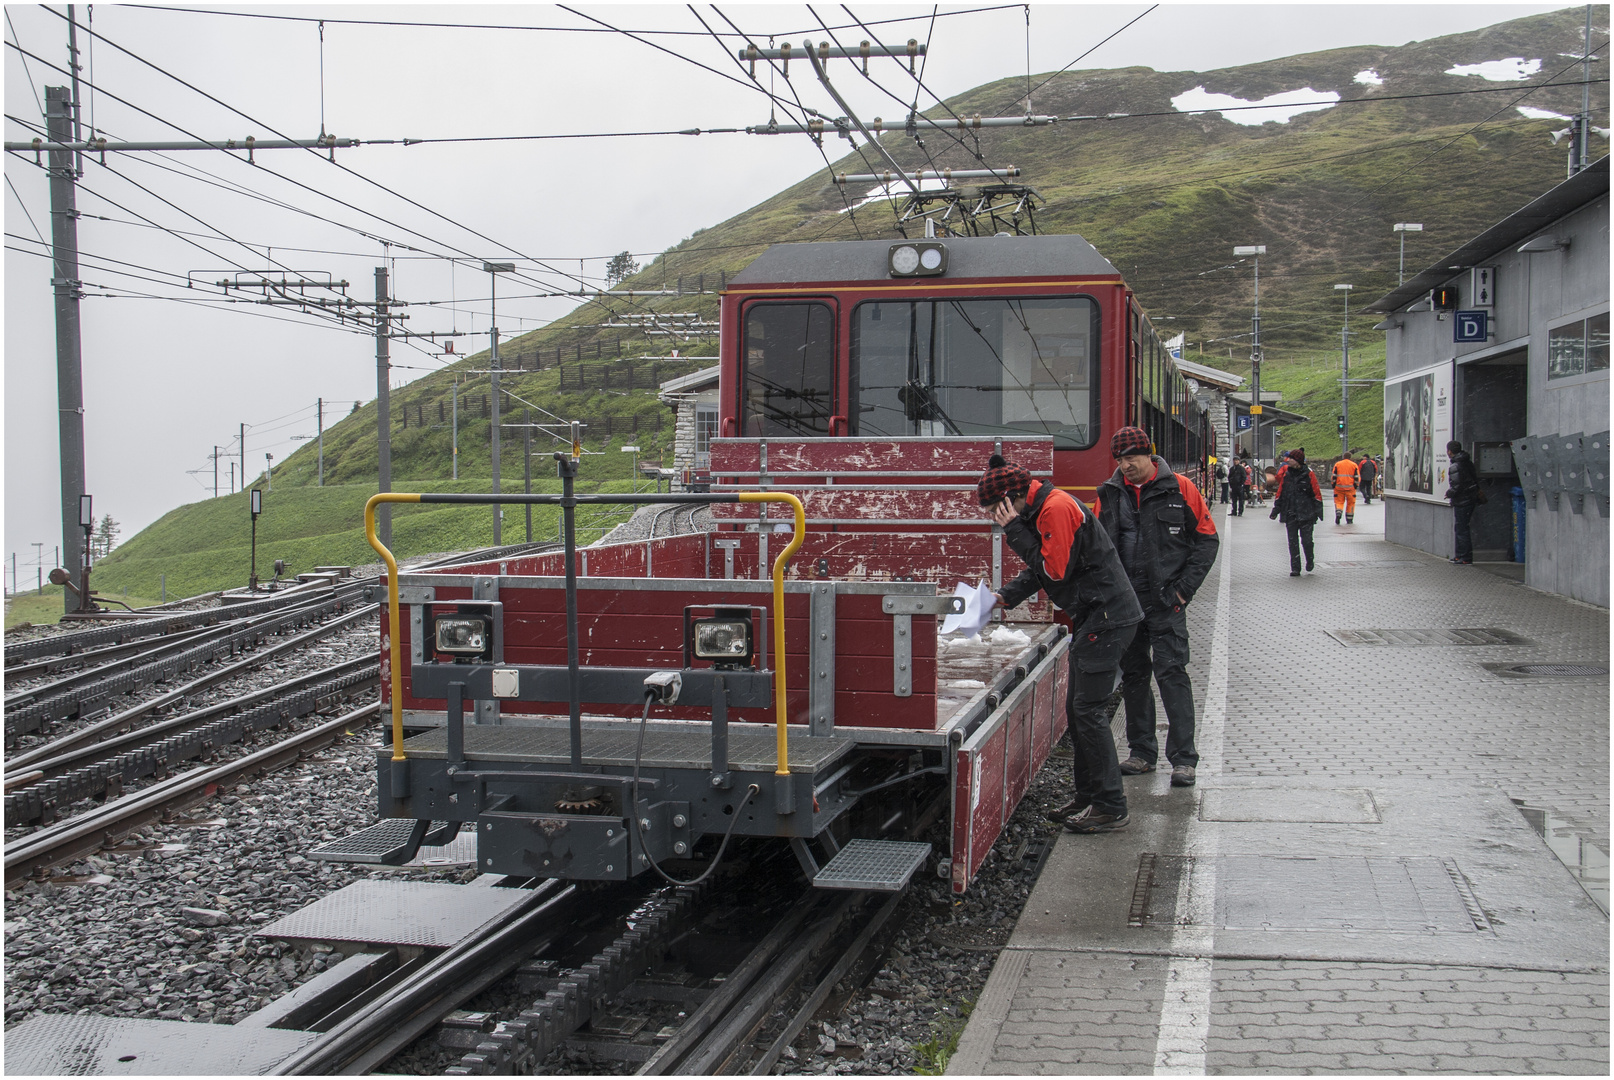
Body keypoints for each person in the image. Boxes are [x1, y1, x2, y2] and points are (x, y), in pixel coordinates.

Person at [980, 454, 1143, 833]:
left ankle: (1110, 806)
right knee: (1079, 709)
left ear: (1009, 500)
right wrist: (1002, 597)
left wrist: (1014, 530)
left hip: (1107, 618)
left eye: (993, 510)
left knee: (1088, 712)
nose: (992, 518)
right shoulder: (1043, 508)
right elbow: (1043, 566)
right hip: (1099, 616)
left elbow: (1054, 569)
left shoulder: (1054, 508)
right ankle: (1089, 797)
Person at [1094, 427, 1219, 788]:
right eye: (1119, 459)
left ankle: (1183, 759)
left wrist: (1182, 592)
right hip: (1127, 605)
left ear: (1149, 454)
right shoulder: (1109, 494)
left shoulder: (1181, 488)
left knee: (1172, 674)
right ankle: (1141, 753)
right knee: (1134, 678)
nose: (1125, 465)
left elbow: (1207, 542)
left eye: (1131, 457)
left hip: (1166, 603)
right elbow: (1100, 548)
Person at [1271, 447, 1323, 575]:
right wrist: (1276, 510)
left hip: (1306, 513)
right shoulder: (1287, 475)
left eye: (1292, 459)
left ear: (1298, 461)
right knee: (1292, 542)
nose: (1288, 461)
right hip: (1291, 513)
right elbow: (1281, 493)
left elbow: (1316, 493)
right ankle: (1295, 568)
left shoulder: (1309, 474)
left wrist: (1318, 512)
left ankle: (1310, 560)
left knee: (1306, 541)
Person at [1444, 440, 1481, 564]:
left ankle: (1464, 557)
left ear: (1449, 451)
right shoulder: (1467, 462)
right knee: (1462, 528)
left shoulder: (1455, 465)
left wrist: (1449, 493)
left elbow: (1457, 485)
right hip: (1470, 498)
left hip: (1462, 501)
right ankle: (1461, 556)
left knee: (1461, 529)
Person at [1331, 454, 1360, 524]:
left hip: (1339, 488)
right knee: (1351, 503)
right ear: (1350, 457)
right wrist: (1356, 485)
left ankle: (1338, 513)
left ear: (1343, 457)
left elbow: (1334, 476)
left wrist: (1333, 484)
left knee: (1339, 502)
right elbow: (1357, 477)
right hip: (1350, 488)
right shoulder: (1354, 465)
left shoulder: (1338, 464)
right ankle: (1349, 519)